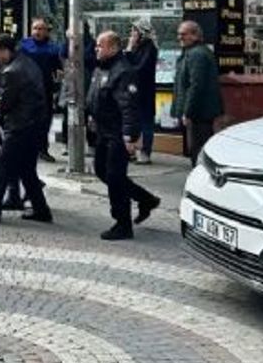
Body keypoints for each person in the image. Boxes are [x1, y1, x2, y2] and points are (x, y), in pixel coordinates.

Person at [0, 34, 53, 224]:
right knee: (27, 170)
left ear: (5, 51)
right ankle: (42, 210)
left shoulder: (12, 71)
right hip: (35, 125)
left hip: (20, 127)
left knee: (1, 169)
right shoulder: (27, 63)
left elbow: (5, 104)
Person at [88, 31, 161, 241]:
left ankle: (122, 223)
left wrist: (130, 135)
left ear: (113, 48)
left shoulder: (123, 71)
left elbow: (129, 106)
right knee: (102, 171)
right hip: (103, 129)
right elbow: (97, 95)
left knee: (115, 177)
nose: (96, 49)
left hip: (118, 133)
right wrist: (93, 116)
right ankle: (146, 199)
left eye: (100, 46)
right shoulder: (101, 68)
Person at [171, 20, 223, 167]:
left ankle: (200, 179)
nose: (179, 38)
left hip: (200, 112)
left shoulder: (197, 54)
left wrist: (187, 112)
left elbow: (196, 86)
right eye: (178, 34)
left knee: (198, 147)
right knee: (198, 146)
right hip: (201, 112)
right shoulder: (194, 52)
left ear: (195, 35)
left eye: (183, 34)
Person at [19, 18, 66, 164]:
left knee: (44, 121)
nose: (37, 32)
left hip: (45, 89)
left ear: (46, 31)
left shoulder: (53, 48)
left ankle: (43, 150)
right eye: (35, 28)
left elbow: (59, 68)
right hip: (26, 89)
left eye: (41, 29)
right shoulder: (24, 45)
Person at [124, 20, 159, 165]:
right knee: (133, 121)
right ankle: (131, 150)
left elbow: (140, 68)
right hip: (134, 90)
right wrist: (129, 48)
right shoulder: (137, 47)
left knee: (146, 122)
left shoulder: (149, 48)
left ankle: (145, 152)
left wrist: (130, 54)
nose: (132, 34)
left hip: (144, 90)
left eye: (135, 31)